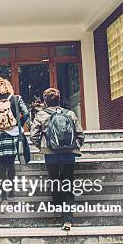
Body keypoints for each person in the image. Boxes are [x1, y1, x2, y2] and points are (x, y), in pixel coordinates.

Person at [30, 88, 84, 231]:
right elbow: (80, 134)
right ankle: (68, 218)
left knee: (55, 180)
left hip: (51, 154)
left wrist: (42, 147)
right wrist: (75, 146)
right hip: (69, 154)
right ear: (59, 100)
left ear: (45, 101)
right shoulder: (70, 114)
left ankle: (58, 208)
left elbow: (33, 135)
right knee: (68, 183)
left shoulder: (41, 115)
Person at [0, 78, 29, 201]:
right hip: (13, 134)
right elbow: (26, 113)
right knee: (11, 164)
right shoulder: (16, 98)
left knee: (1, 166)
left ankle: (3, 196)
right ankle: (11, 192)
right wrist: (18, 124)